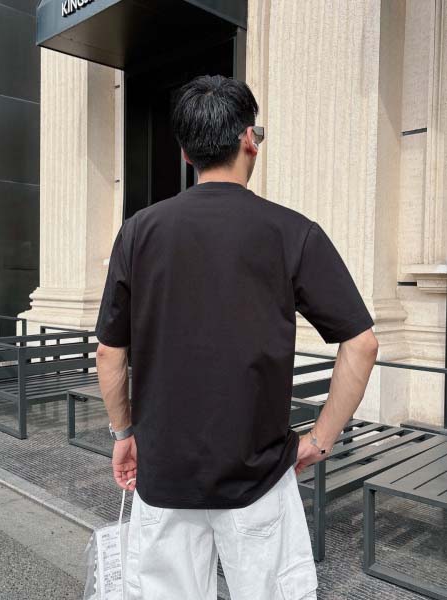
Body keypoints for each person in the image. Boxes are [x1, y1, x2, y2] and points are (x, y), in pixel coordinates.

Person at [95, 74, 378, 600]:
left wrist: (123, 434)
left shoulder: (138, 231)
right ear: (250, 139)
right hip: (259, 478)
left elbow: (110, 352)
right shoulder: (292, 232)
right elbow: (361, 343)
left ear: (185, 153)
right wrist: (320, 440)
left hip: (164, 475)